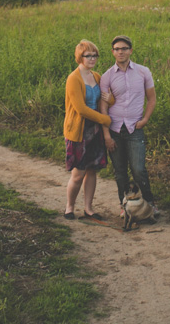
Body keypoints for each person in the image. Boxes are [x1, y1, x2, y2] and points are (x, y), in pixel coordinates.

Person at [100, 35, 158, 215]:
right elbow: (103, 108)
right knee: (120, 172)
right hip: (114, 130)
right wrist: (106, 135)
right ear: (112, 52)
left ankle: (149, 204)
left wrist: (145, 119)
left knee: (138, 169)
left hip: (135, 129)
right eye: (117, 49)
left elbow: (152, 99)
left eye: (124, 48)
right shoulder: (107, 76)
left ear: (130, 51)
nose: (121, 52)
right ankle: (125, 206)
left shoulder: (143, 72)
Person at [63, 39, 113, 220]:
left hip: (96, 130)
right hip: (79, 129)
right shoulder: (73, 78)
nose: (92, 59)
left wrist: (111, 99)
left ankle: (88, 209)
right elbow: (81, 109)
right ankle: (69, 207)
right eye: (88, 55)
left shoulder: (97, 76)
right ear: (80, 57)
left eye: (95, 55)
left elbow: (107, 99)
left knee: (92, 170)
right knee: (79, 173)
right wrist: (104, 119)